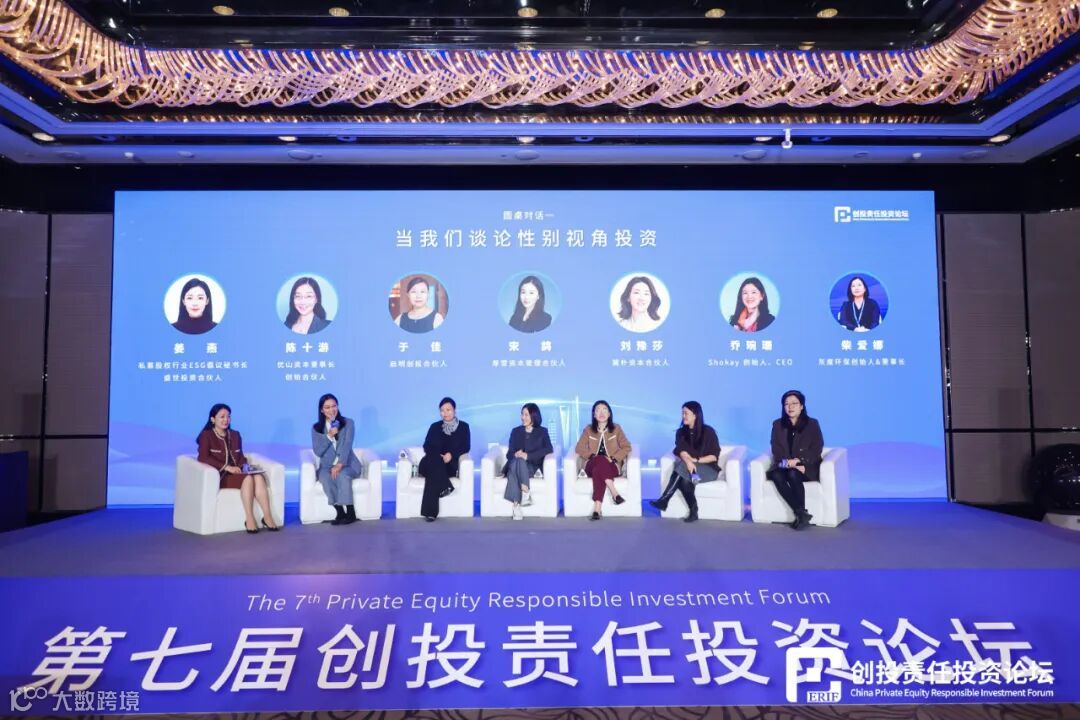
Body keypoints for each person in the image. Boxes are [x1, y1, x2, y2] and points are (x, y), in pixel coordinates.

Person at [196, 403, 279, 533]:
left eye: (228, 416)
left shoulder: (235, 435)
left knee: (258, 476)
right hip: (222, 475)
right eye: (222, 417)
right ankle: (250, 518)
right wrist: (226, 467)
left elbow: (240, 456)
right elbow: (203, 457)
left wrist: (245, 466)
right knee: (248, 479)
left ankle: (267, 517)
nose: (226, 420)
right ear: (213, 419)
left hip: (238, 473)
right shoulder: (206, 436)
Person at [650, 401, 721, 523]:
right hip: (692, 472)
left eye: (686, 413)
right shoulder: (681, 432)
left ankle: (664, 500)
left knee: (682, 468)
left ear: (695, 415)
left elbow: (714, 456)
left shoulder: (708, 431)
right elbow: (681, 450)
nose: (683, 416)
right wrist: (689, 462)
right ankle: (693, 511)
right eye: (682, 413)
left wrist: (695, 460)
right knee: (684, 481)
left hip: (708, 470)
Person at [767, 390, 824, 530]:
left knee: (793, 474)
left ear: (802, 406)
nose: (790, 407)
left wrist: (800, 461)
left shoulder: (812, 424)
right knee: (776, 474)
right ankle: (801, 513)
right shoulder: (777, 425)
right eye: (786, 404)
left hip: (806, 466)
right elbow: (776, 449)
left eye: (794, 403)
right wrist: (788, 463)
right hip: (784, 465)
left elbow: (817, 448)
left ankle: (801, 514)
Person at [573, 400, 631, 520]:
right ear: (594, 415)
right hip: (591, 463)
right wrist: (591, 456)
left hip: (612, 465)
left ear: (609, 414)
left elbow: (626, 447)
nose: (601, 413)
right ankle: (614, 493)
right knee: (599, 459)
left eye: (604, 410)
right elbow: (579, 447)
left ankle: (597, 508)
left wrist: (613, 459)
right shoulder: (588, 429)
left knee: (598, 471)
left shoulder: (616, 428)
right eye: (598, 410)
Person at [311, 393, 362, 525]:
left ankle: (351, 512)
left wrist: (340, 464)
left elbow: (347, 445)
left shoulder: (348, 423)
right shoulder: (316, 428)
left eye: (334, 406)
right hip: (326, 466)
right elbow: (318, 451)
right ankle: (340, 512)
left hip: (348, 464)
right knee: (326, 478)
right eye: (327, 407)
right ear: (322, 410)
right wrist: (328, 436)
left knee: (342, 475)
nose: (331, 410)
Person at [418, 397, 472, 522]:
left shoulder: (464, 427)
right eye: (442, 410)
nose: (445, 413)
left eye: (448, 410)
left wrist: (451, 455)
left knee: (434, 471)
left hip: (448, 466)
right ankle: (446, 486)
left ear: (454, 410)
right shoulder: (435, 427)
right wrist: (439, 456)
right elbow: (426, 446)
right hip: (429, 462)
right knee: (434, 461)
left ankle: (430, 513)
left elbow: (466, 446)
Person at [503, 403, 553, 520]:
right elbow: (509, 454)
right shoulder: (515, 431)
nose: (522, 417)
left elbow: (549, 449)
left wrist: (528, 456)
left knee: (515, 468)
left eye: (526, 415)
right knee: (518, 461)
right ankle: (525, 493)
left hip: (532, 467)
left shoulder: (542, 431)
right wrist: (515, 454)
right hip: (515, 463)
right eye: (522, 414)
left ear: (533, 416)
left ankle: (516, 506)